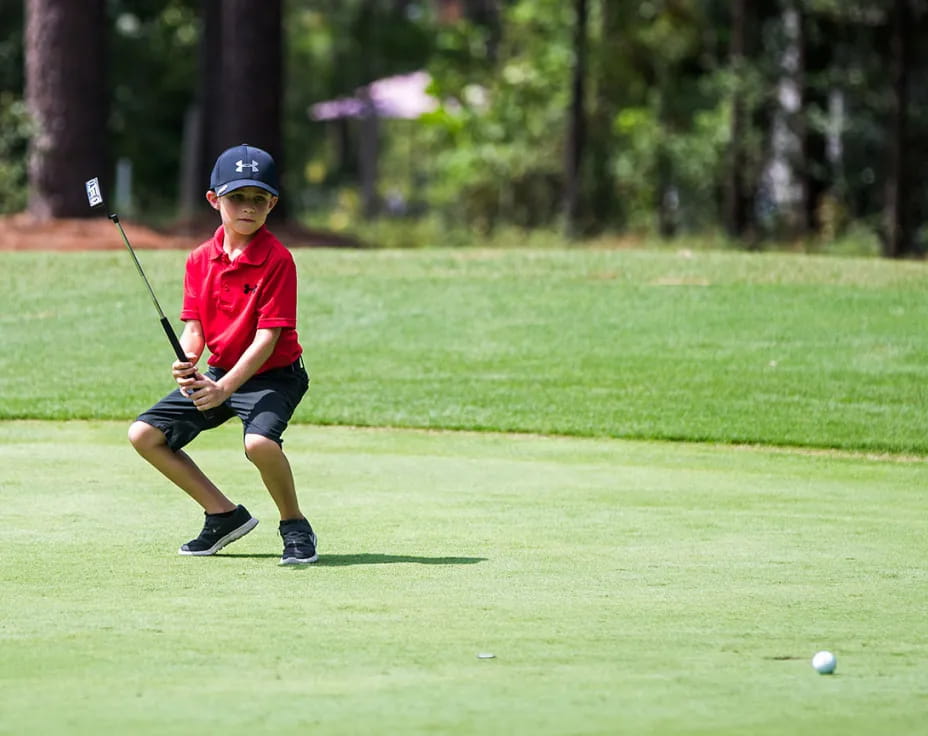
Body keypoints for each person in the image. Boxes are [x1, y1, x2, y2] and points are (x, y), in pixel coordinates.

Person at [128, 143, 317, 565]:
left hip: (274, 375)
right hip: (219, 372)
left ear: (272, 203)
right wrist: (187, 359)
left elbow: (267, 338)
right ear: (214, 200)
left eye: (258, 199)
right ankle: (223, 515)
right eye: (236, 198)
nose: (247, 208)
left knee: (259, 443)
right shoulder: (199, 259)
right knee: (144, 435)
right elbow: (193, 328)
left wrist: (224, 388)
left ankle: (294, 525)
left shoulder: (278, 260)